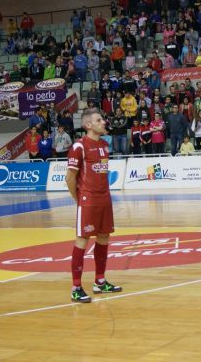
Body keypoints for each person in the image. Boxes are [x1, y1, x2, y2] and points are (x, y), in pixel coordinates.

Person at [66, 108, 122, 304]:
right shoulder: (79, 147)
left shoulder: (105, 146)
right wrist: (79, 199)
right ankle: (76, 288)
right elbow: (70, 177)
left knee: (104, 237)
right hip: (88, 200)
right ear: (88, 125)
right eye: (99, 120)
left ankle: (100, 281)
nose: (103, 122)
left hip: (105, 199)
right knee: (82, 239)